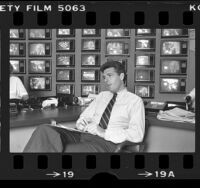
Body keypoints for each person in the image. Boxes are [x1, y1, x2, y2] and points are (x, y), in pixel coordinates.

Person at [23, 61, 145, 152]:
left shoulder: (135, 101)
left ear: (122, 76)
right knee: (44, 130)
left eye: (110, 75)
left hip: (107, 143)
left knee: (61, 149)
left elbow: (136, 135)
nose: (106, 80)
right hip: (83, 135)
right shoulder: (102, 96)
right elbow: (84, 117)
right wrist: (82, 123)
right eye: (104, 77)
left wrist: (103, 132)